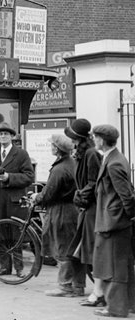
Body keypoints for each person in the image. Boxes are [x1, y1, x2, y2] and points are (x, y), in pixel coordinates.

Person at [90, 124, 135, 317]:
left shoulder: (114, 162)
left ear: (101, 140)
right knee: (121, 266)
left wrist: (127, 216)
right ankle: (129, 304)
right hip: (113, 220)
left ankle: (116, 308)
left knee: (114, 267)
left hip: (114, 223)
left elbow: (126, 195)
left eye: (95, 137)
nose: (93, 140)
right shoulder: (113, 158)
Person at [30, 135, 82, 297]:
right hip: (73, 210)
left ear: (57, 149)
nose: (50, 147)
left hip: (60, 212)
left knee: (62, 249)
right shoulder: (72, 163)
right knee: (73, 249)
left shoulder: (59, 169)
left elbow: (48, 193)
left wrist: (35, 198)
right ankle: (78, 286)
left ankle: (65, 287)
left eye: (52, 145)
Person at [64, 119, 103, 307]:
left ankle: (101, 291)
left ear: (79, 139)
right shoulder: (82, 154)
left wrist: (80, 196)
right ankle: (92, 290)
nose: (71, 141)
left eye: (73, 138)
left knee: (87, 251)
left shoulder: (91, 154)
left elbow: (94, 181)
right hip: (85, 208)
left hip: (91, 209)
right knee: (80, 251)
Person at [0, 122, 35, 278]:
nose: (3, 136)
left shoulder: (21, 154)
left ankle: (19, 268)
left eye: (6, 134)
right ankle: (4, 266)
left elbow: (29, 177)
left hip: (14, 200)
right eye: (0, 134)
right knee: (1, 232)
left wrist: (9, 177)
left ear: (12, 137)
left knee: (16, 233)